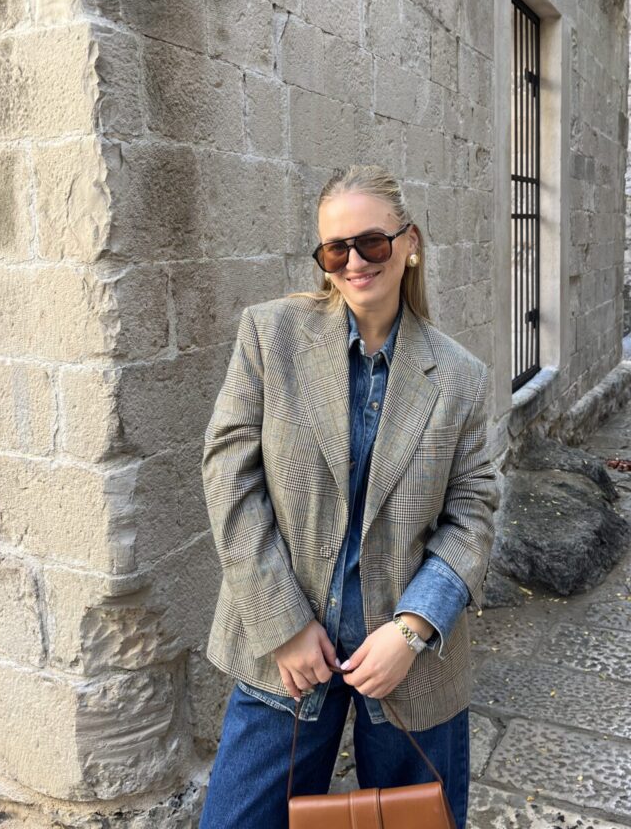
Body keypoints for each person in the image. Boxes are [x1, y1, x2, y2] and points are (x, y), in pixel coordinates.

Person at [198, 165, 499, 829]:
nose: (355, 262)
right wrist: (282, 623)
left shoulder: (461, 378)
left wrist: (413, 630)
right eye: (336, 249)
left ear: (409, 242)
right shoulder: (270, 337)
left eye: (372, 242)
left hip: (409, 665)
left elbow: (472, 515)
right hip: (286, 654)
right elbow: (229, 478)